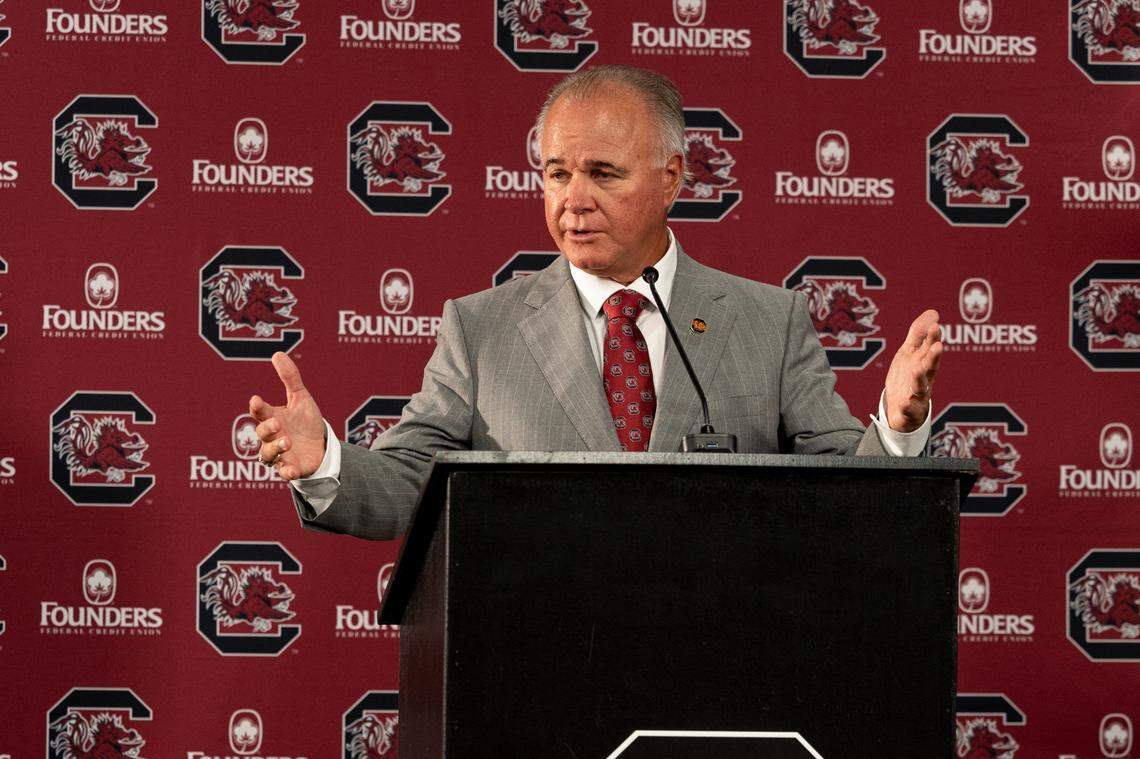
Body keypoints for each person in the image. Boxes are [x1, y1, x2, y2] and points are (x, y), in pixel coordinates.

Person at [249, 65, 942, 541]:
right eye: (556, 173)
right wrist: (326, 462)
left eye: (603, 173)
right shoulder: (482, 329)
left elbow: (854, 498)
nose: (573, 199)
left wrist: (897, 426)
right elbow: (407, 482)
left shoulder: (770, 322)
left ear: (672, 177)